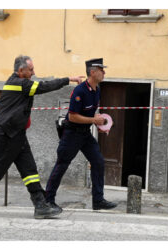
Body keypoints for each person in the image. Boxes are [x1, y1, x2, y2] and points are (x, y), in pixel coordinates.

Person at [0, 55, 84, 219]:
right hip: (7, 134)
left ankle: (40, 205)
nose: (33, 72)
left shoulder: (19, 82)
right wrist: (68, 79)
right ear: (21, 71)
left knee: (29, 169)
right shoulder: (19, 84)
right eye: (31, 69)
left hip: (16, 133)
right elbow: (44, 86)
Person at [45, 58, 117, 211]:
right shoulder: (79, 91)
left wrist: (100, 125)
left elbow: (91, 114)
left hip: (85, 133)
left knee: (98, 161)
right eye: (101, 70)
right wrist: (93, 120)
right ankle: (48, 200)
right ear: (92, 72)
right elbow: (72, 116)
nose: (104, 72)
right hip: (72, 134)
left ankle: (98, 200)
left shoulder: (97, 89)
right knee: (62, 165)